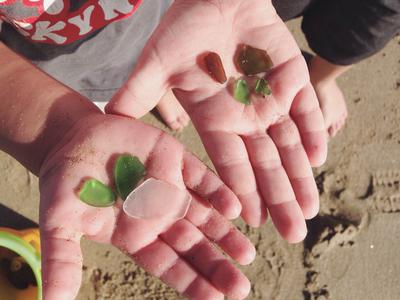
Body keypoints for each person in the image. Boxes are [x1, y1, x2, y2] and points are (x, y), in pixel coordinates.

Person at [0, 0, 331, 299]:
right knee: (130, 88)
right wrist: (55, 129)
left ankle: (165, 84)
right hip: (52, 68)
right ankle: (161, 84)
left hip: (166, 20)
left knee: (146, 69)